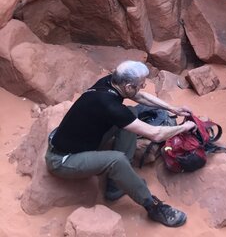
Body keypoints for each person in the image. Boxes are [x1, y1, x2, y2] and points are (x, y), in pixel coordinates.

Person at [45, 60, 195, 228]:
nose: (144, 86)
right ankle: (153, 207)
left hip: (81, 142)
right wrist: (184, 127)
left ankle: (118, 184)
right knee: (116, 160)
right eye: (141, 84)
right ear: (128, 86)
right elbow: (156, 134)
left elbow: (139, 96)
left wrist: (173, 108)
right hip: (63, 159)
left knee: (130, 113)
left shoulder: (111, 81)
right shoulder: (109, 105)